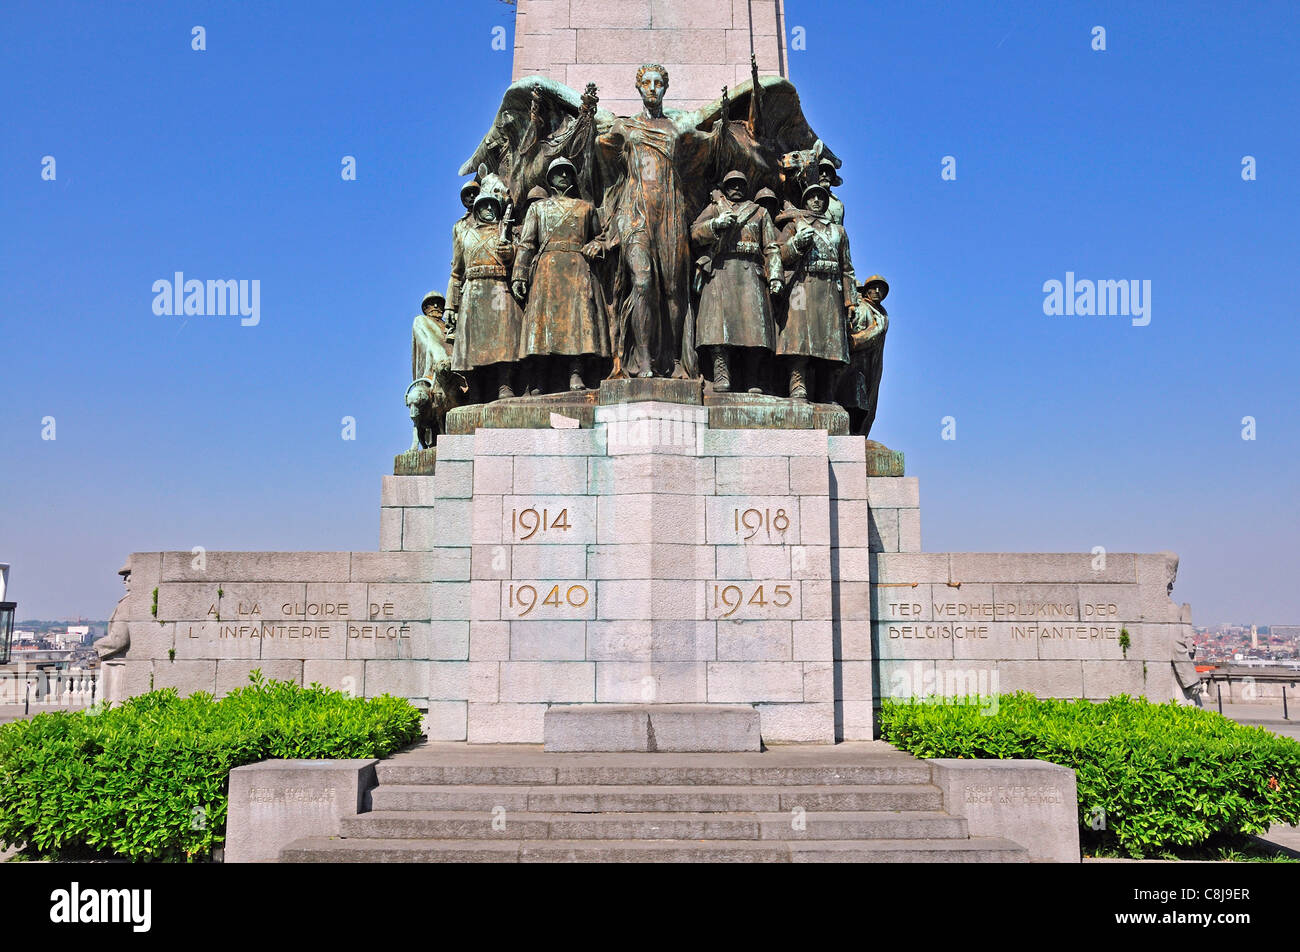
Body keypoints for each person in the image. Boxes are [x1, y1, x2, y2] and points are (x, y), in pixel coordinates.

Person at [596, 63, 727, 378]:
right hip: (635, 212)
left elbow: (709, 148)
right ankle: (643, 361)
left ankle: (677, 360)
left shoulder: (677, 130)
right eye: (647, 83)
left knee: (672, 289)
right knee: (642, 283)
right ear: (638, 88)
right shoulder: (623, 128)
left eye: (659, 83)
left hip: (669, 212)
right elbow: (598, 158)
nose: (653, 88)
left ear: (665, 88)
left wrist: (720, 129)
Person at [512, 157, 611, 393]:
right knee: (545, 324)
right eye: (559, 172)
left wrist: (598, 246)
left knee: (577, 321)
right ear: (550, 178)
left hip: (577, 268)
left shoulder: (586, 208)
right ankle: (541, 377)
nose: (564, 176)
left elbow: (599, 237)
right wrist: (519, 274)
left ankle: (575, 373)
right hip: (547, 269)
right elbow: (527, 244)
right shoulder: (538, 208)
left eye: (567, 172)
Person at [690, 171, 783, 393]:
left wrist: (776, 276)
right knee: (718, 329)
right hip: (722, 270)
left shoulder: (759, 212)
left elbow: (771, 247)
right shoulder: (715, 208)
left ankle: (753, 379)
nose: (737, 188)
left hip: (750, 272)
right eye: (732, 184)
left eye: (741, 184)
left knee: (754, 331)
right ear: (725, 186)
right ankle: (722, 375)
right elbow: (694, 233)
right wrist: (715, 224)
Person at [777, 183, 853, 401]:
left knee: (830, 344)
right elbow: (780, 254)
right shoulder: (795, 224)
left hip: (830, 289)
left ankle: (826, 391)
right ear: (805, 201)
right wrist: (796, 244)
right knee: (798, 338)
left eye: (821, 197)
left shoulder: (839, 231)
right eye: (812, 197)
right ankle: (797, 386)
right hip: (803, 285)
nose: (817, 201)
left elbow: (847, 268)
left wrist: (851, 302)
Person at [446, 193, 523, 400]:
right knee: (472, 344)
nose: (489, 209)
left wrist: (510, 252)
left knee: (504, 338)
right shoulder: (464, 235)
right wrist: (450, 306)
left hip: (499, 287)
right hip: (473, 290)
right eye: (484, 206)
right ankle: (475, 390)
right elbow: (456, 272)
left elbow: (520, 258)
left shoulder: (505, 232)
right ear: (477, 210)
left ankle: (504, 385)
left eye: (492, 206)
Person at [837, 275, 889, 436]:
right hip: (855, 366)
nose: (877, 291)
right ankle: (851, 436)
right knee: (855, 402)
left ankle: (857, 436)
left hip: (872, 366)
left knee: (867, 404)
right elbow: (852, 336)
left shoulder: (882, 314)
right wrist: (871, 333)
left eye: (881, 289)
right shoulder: (862, 308)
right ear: (867, 290)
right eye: (874, 288)